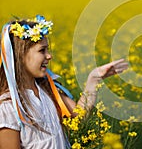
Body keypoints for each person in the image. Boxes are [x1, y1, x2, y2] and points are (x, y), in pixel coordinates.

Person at [0, 15, 128, 148]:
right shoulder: (9, 107)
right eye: (42, 50)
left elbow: (79, 115)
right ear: (20, 57)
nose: (49, 56)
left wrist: (93, 79)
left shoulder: (47, 91)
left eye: (47, 49)